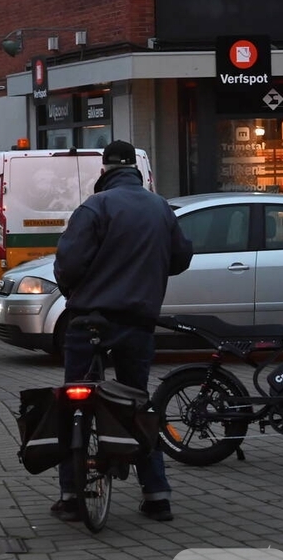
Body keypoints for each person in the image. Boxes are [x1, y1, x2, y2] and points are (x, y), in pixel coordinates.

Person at [52, 140, 192, 523]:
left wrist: (74, 293)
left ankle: (69, 494)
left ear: (105, 171)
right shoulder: (160, 208)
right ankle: (157, 494)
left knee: (73, 399)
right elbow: (181, 257)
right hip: (138, 322)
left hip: (89, 320)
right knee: (137, 401)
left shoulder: (95, 207)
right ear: (136, 170)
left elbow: (68, 261)